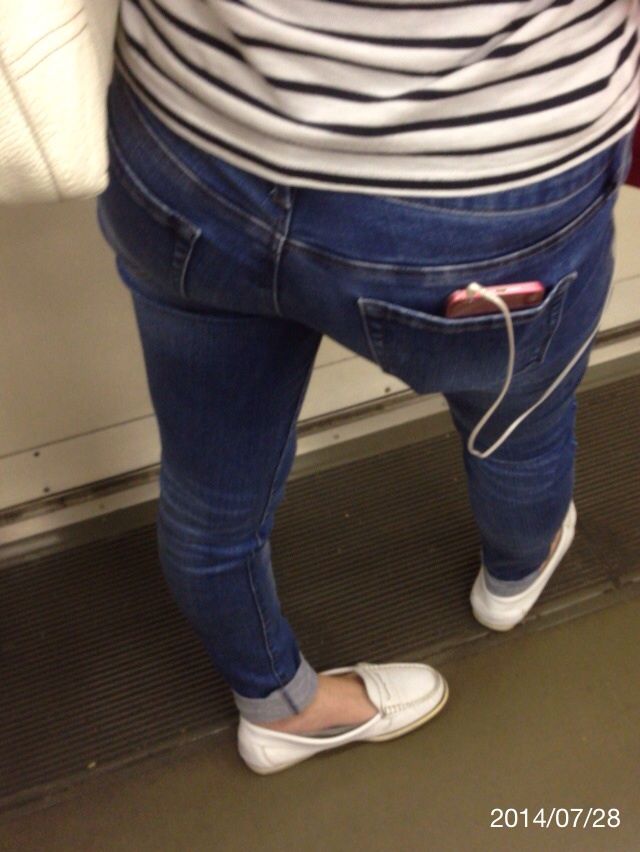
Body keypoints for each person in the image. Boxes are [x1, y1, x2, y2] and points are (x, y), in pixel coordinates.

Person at [96, 0, 640, 774]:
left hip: (192, 145)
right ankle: (515, 575)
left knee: (210, 490)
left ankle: (280, 710)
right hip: (479, 177)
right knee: (520, 424)